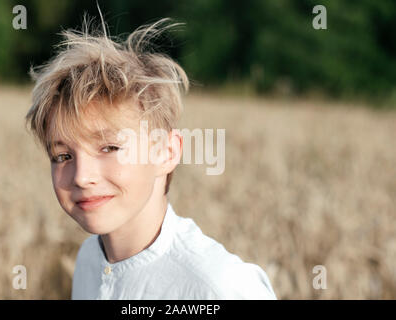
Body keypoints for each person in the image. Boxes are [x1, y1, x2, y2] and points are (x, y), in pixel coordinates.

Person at [25, 15, 277, 300]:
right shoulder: (88, 261)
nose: (82, 176)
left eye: (109, 148)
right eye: (62, 155)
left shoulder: (216, 287)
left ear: (166, 152)